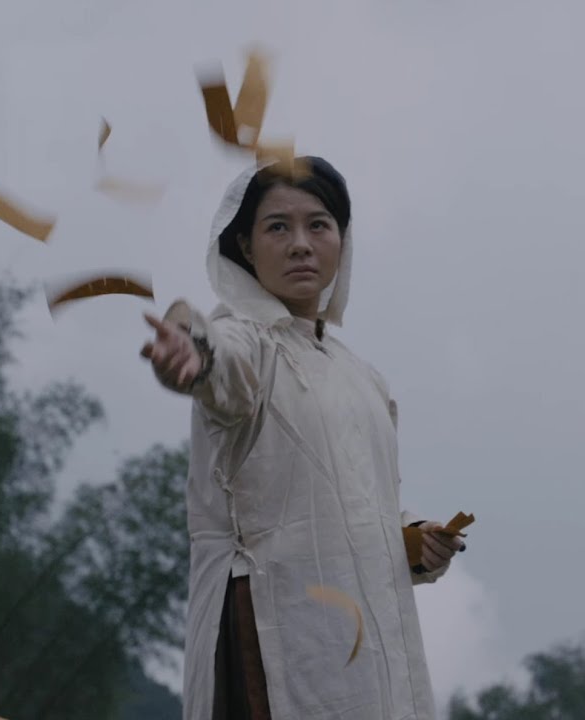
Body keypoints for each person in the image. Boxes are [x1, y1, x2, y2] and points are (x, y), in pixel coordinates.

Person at [141, 156, 465, 720]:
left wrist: (413, 540)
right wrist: (193, 352)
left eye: (318, 225)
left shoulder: (363, 377)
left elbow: (357, 502)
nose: (300, 245)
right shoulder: (248, 339)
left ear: (342, 239)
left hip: (369, 644)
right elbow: (222, 362)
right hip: (274, 631)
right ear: (245, 246)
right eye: (277, 227)